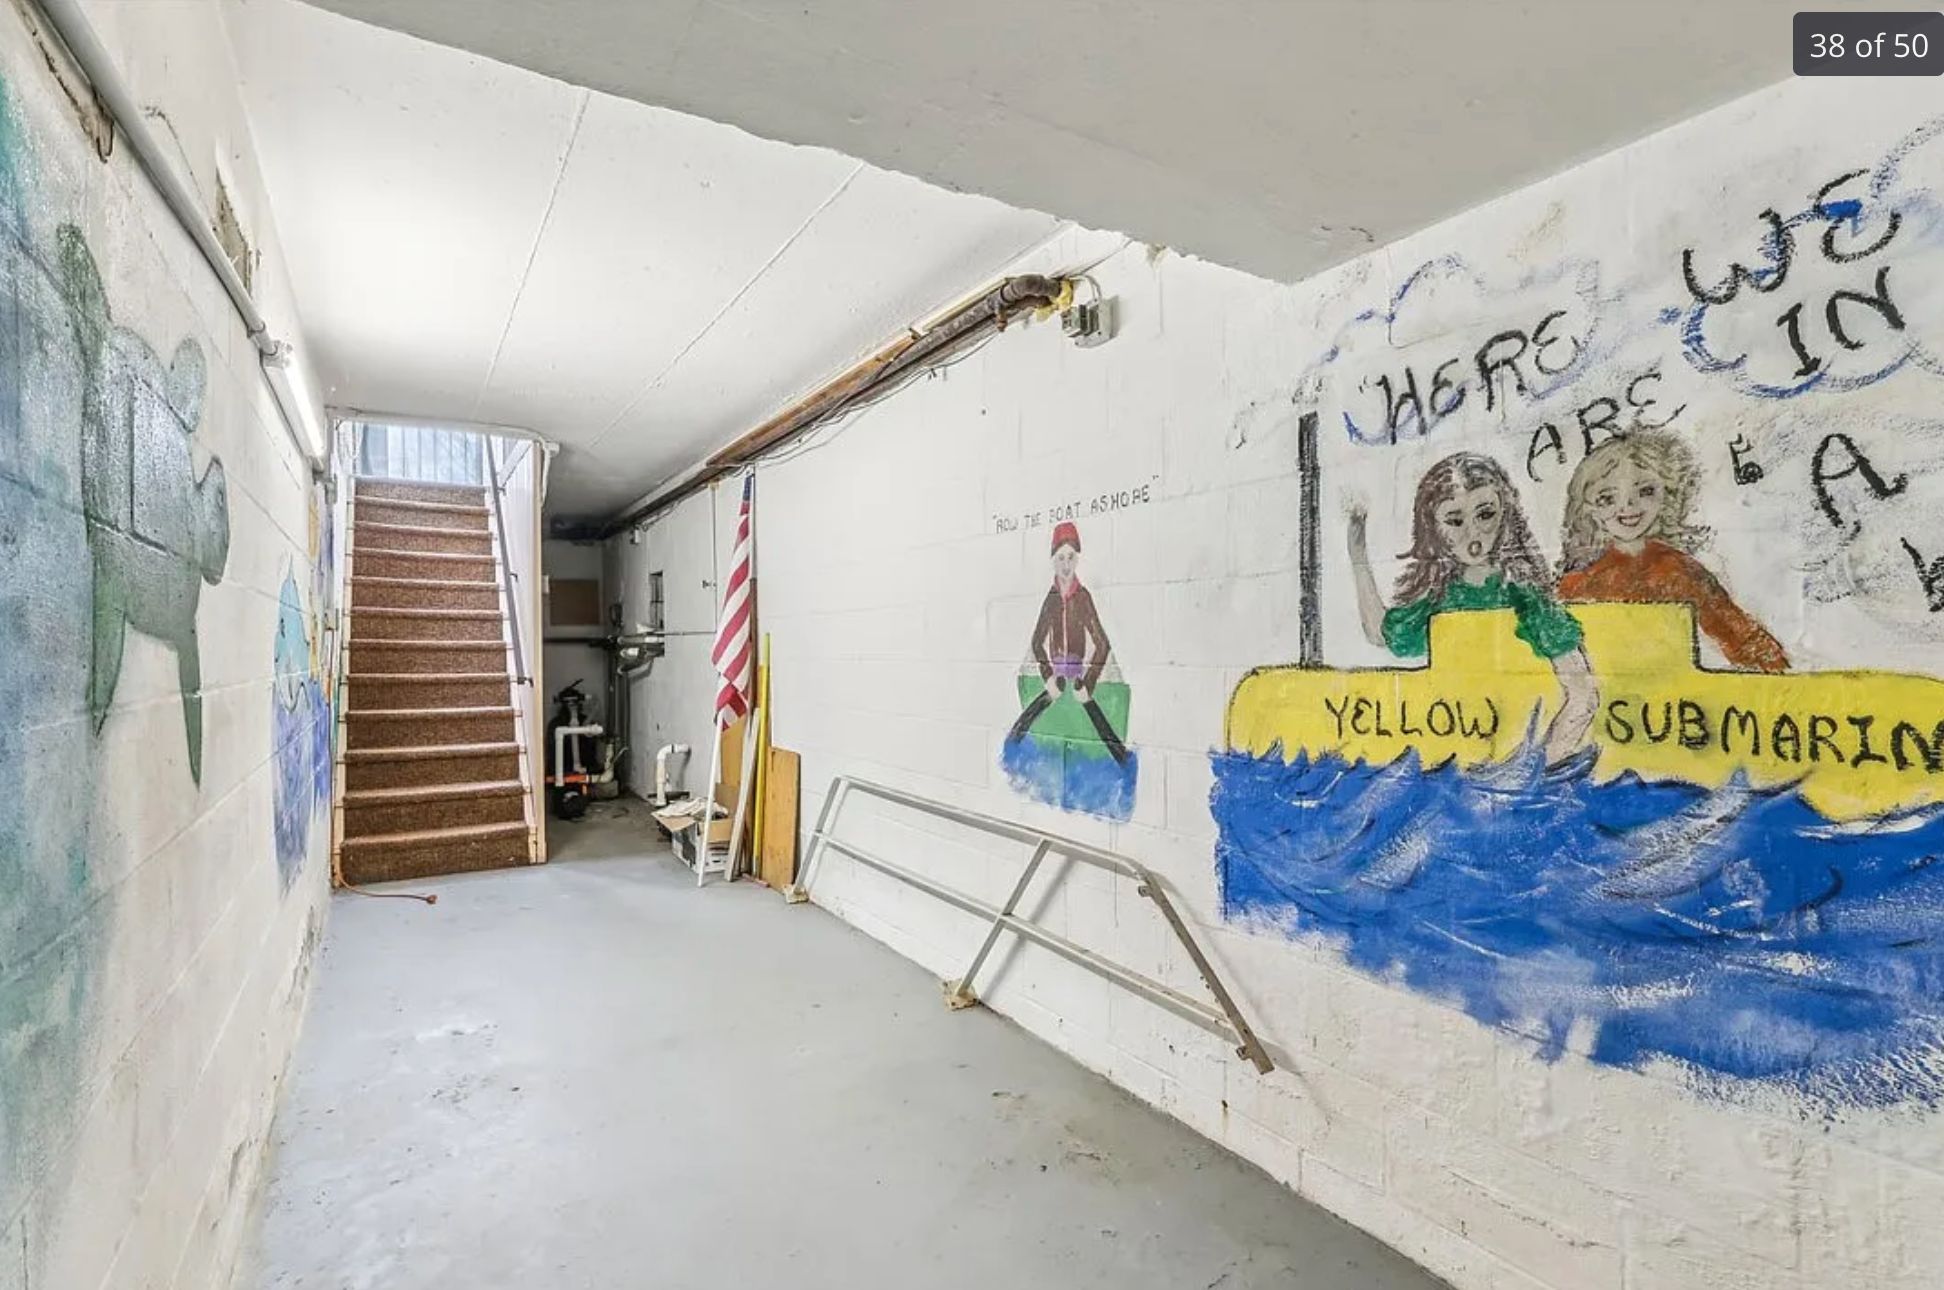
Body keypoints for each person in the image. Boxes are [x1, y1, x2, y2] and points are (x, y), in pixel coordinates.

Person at [1349, 452, 1597, 764]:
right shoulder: (1441, 600)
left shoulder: (1524, 598)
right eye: (1455, 520)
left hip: (1514, 773)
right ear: (1434, 528)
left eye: (1485, 514)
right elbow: (1380, 633)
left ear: (1505, 514)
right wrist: (1357, 553)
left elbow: (1583, 695)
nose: (1473, 534)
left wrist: (1539, 765)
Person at [1556, 432, 1787, 672]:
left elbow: (1739, 635)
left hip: (1679, 701)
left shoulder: (1681, 571)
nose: (1628, 506)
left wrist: (1772, 670)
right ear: (1590, 509)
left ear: (1667, 495)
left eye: (1645, 491)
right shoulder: (1578, 583)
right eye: (1607, 498)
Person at [1007, 520, 1128, 764]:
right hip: (1057, 681)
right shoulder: (1051, 600)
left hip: (1079, 680)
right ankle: (1012, 746)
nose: (1065, 565)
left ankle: (1122, 758)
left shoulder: (1083, 598)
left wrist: (1089, 683)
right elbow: (1037, 642)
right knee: (1024, 730)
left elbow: (1102, 644)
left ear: (1077, 559)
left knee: (1104, 736)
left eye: (1070, 557)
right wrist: (1048, 675)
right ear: (1053, 559)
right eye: (1060, 558)